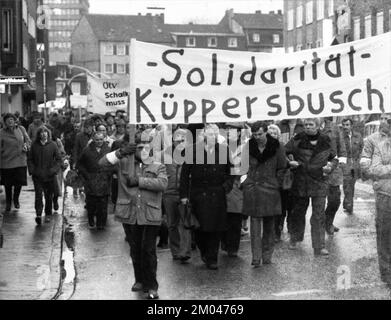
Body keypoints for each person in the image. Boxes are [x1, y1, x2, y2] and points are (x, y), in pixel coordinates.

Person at [99, 131, 168, 299]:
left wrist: (140, 181)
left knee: (148, 249)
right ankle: (140, 280)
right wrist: (120, 152)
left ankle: (152, 286)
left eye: (147, 147)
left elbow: (162, 183)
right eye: (139, 147)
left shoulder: (157, 164)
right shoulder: (123, 162)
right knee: (135, 248)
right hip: (129, 212)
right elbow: (102, 163)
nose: (144, 150)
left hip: (150, 213)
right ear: (133, 148)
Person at [179, 123, 233, 270]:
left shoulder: (223, 150)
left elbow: (230, 172)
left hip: (217, 194)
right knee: (200, 227)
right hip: (198, 194)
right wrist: (183, 195)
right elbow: (184, 175)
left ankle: (212, 258)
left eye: (215, 135)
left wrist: (226, 187)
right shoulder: (193, 150)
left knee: (216, 227)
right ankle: (204, 251)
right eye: (209, 134)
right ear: (203, 135)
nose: (212, 137)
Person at [285, 118, 338, 256]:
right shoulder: (297, 139)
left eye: (311, 125)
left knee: (318, 215)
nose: (307, 127)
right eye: (306, 125)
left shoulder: (326, 140)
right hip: (300, 180)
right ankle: (294, 238)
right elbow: (284, 152)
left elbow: (334, 158)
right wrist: (290, 162)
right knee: (298, 212)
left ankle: (319, 246)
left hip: (319, 181)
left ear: (318, 126)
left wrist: (330, 166)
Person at [241, 122, 287, 267]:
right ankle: (256, 257)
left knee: (269, 223)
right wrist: (246, 182)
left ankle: (267, 255)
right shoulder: (249, 146)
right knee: (254, 224)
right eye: (254, 135)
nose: (257, 137)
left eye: (260, 134)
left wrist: (276, 184)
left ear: (266, 132)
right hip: (253, 188)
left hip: (270, 188)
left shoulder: (277, 146)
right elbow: (243, 166)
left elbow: (282, 167)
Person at [363, 119, 391, 291]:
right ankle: (387, 272)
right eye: (387, 118)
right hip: (385, 193)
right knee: (385, 233)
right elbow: (370, 169)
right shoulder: (373, 140)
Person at [162, 128, 192, 262]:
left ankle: (184, 251)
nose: (179, 143)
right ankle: (175, 251)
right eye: (176, 140)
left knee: (185, 223)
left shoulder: (192, 155)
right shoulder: (165, 155)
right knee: (172, 224)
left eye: (182, 140)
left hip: (185, 192)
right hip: (169, 193)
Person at [221, 122, 248, 257]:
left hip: (237, 185)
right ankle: (225, 244)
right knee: (223, 217)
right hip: (222, 185)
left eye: (232, 130)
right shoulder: (221, 146)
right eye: (227, 129)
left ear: (238, 132)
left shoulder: (244, 148)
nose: (229, 132)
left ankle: (233, 247)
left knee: (235, 219)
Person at [77, 132, 113, 230]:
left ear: (104, 139)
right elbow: (79, 164)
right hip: (91, 181)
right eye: (97, 140)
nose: (99, 142)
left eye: (101, 139)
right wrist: (86, 175)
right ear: (93, 139)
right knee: (91, 204)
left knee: (103, 204)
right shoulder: (87, 150)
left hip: (104, 181)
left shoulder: (108, 150)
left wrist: (109, 173)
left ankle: (101, 223)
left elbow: (113, 164)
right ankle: (91, 220)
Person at [27, 126, 62, 225]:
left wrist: (53, 170)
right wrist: (32, 170)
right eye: (41, 132)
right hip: (37, 176)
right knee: (38, 195)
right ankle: (38, 214)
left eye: (45, 132)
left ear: (48, 134)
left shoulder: (53, 145)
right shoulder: (34, 145)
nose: (43, 134)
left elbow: (59, 159)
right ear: (39, 135)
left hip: (49, 175)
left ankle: (48, 214)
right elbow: (30, 159)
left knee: (49, 196)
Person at [0, 113, 31, 212]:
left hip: (20, 160)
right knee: (7, 184)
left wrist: (26, 145)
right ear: (4, 122)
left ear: (15, 121)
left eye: (12, 119)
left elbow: (28, 141)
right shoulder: (1, 132)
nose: (10, 121)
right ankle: (9, 202)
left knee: (19, 182)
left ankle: (16, 198)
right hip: (6, 161)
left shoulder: (21, 129)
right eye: (8, 120)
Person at [321, 117, 347, 235]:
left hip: (334, 168)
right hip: (315, 170)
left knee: (335, 200)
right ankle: (319, 226)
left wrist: (341, 164)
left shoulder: (334, 128)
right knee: (318, 201)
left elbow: (341, 148)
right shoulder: (309, 125)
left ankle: (328, 221)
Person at [341, 118, 363, 215]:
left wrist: (359, 161)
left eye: (347, 125)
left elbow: (362, 148)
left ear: (351, 126)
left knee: (352, 185)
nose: (345, 127)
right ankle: (348, 204)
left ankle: (348, 204)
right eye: (344, 125)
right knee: (347, 185)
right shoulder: (340, 137)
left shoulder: (358, 136)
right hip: (345, 164)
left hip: (355, 164)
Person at [46, 124, 66, 212]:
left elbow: (62, 153)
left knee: (56, 186)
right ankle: (48, 203)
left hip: (56, 167)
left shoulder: (57, 141)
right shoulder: (39, 142)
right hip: (45, 168)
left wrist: (60, 161)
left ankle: (55, 200)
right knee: (47, 188)